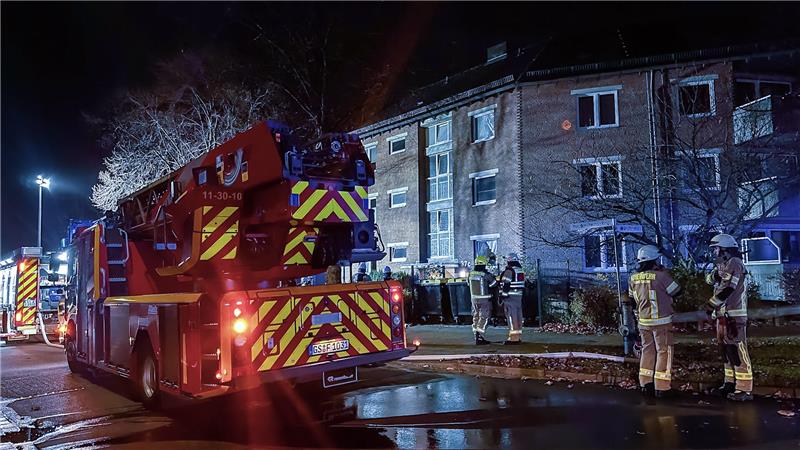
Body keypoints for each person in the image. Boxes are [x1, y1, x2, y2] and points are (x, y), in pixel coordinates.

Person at [628, 245, 681, 399]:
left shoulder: (633, 278)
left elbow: (632, 300)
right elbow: (677, 291)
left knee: (647, 351)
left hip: (643, 322)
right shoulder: (661, 276)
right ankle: (662, 387)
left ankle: (645, 384)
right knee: (664, 352)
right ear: (654, 260)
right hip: (662, 322)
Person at [705, 233, 753, 401]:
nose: (714, 252)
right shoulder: (723, 264)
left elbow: (728, 289)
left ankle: (744, 388)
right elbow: (710, 280)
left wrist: (711, 304)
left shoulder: (735, 263)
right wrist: (715, 275)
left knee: (737, 350)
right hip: (722, 314)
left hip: (734, 315)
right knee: (726, 351)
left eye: (716, 249)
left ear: (725, 249)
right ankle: (729, 383)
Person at [468, 256, 497, 345]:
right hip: (484, 299)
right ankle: (479, 334)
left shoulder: (470, 274)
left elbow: (468, 283)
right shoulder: (485, 275)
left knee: (476, 316)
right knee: (484, 317)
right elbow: (494, 284)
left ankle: (476, 335)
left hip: (474, 299)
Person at [499, 253, 525, 345]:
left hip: (510, 297)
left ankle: (513, 339)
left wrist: (502, 296)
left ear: (509, 260)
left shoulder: (509, 270)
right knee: (517, 315)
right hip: (518, 296)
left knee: (511, 316)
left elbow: (506, 283)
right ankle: (517, 337)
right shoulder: (519, 270)